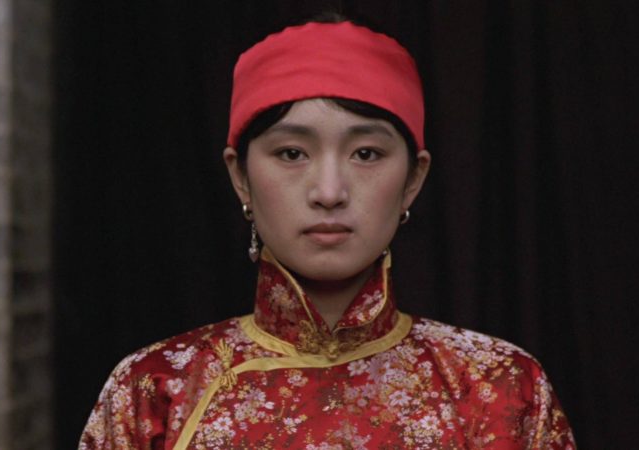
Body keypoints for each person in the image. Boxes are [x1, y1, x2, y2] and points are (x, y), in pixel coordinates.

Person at [79, 14, 575, 450]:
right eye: (292, 153)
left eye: (366, 154)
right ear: (240, 176)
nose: (330, 191)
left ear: (413, 180)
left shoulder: (498, 387)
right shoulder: (156, 390)